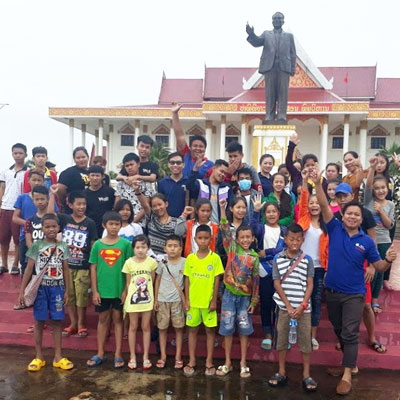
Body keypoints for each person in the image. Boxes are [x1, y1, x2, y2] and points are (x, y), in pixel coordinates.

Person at [312, 168, 396, 396]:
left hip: (355, 294)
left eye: (356, 215)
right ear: (343, 215)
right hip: (332, 291)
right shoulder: (335, 228)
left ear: (361, 219)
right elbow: (323, 205)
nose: (352, 217)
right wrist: (317, 184)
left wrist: (387, 261)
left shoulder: (367, 242)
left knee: (349, 333)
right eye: (348, 213)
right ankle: (350, 363)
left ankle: (348, 373)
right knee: (339, 329)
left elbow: (378, 267)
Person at [17, 213, 73, 372]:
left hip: (58, 288)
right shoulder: (36, 246)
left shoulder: (63, 246)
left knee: (57, 322)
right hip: (41, 289)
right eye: (47, 226)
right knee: (39, 322)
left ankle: (58, 356)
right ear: (42, 228)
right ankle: (39, 356)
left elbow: (66, 269)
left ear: (59, 228)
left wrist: (68, 290)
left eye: (54, 226)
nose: (51, 229)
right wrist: (22, 291)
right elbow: (28, 269)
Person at [269, 223, 317, 392]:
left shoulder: (307, 260)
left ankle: (306, 375)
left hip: (304, 309)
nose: (295, 242)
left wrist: (303, 305)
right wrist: (288, 306)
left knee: (305, 342)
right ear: (285, 239)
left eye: (298, 239)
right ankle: (281, 371)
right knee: (281, 339)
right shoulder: (278, 259)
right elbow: (276, 283)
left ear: (303, 240)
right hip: (283, 308)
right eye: (291, 239)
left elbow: (310, 285)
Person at [216, 207, 259, 379]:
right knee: (226, 328)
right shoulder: (232, 248)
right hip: (228, 296)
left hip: (245, 299)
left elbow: (256, 281)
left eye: (248, 237)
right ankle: (227, 362)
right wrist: (222, 209)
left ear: (253, 238)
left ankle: (243, 363)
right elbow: (225, 229)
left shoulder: (254, 257)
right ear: (237, 238)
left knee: (244, 330)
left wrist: (254, 301)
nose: (245, 239)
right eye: (242, 237)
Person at [87, 211, 132, 368]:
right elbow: (93, 268)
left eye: (117, 224)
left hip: (119, 290)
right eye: (111, 224)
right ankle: (100, 352)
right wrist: (95, 290)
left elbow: (129, 269)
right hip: (102, 290)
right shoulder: (98, 245)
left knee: (118, 319)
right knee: (103, 319)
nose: (114, 227)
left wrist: (126, 290)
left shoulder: (126, 245)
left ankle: (118, 354)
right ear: (104, 225)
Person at [183, 224, 224, 377]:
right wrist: (186, 300)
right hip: (193, 302)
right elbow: (186, 280)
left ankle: (209, 361)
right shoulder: (190, 258)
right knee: (192, 330)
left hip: (208, 303)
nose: (203, 241)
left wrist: (214, 300)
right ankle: (192, 360)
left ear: (210, 239)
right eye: (200, 238)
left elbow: (217, 280)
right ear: (195, 239)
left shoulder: (215, 259)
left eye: (206, 238)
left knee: (209, 331)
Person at [58, 191, 98, 339]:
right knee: (70, 296)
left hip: (83, 266)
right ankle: (72, 324)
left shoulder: (90, 223)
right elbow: (49, 215)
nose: (81, 207)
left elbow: (93, 244)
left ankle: (81, 324)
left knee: (81, 297)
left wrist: (93, 265)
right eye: (78, 204)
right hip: (67, 266)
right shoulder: (64, 219)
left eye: (84, 204)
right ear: (71, 204)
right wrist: (53, 194)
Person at [297, 169, 329, 350]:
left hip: (319, 269)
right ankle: (299, 333)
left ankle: (313, 336)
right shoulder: (304, 219)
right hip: (301, 266)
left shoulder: (327, 224)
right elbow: (303, 198)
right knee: (301, 300)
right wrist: (304, 180)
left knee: (315, 301)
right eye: (312, 202)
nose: (314, 205)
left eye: (317, 203)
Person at [246, 12, 296, 122]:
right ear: (272, 21)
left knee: (283, 93)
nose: (277, 20)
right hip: (270, 67)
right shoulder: (266, 34)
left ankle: (282, 115)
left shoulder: (289, 36)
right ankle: (269, 115)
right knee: (270, 93)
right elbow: (257, 42)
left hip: (284, 68)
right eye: (275, 19)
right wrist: (251, 34)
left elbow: (293, 53)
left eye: (279, 19)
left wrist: (292, 70)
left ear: (283, 21)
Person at [251, 195, 286, 350]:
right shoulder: (261, 228)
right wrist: (255, 211)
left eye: (274, 211)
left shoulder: (284, 230)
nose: (271, 214)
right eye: (268, 212)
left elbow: (287, 248)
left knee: (280, 304)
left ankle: (280, 333)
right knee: (266, 303)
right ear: (265, 215)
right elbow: (251, 228)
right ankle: (267, 333)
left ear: (279, 213)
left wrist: (270, 251)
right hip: (264, 271)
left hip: (281, 271)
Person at [122, 235, 157, 370]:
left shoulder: (152, 263)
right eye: (137, 247)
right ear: (133, 248)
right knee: (133, 327)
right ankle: (132, 356)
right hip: (133, 299)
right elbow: (128, 282)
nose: (140, 250)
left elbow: (152, 281)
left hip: (147, 299)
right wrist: (125, 294)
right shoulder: (129, 263)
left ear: (148, 248)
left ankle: (146, 357)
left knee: (146, 327)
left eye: (143, 247)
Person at [364, 157, 395, 314]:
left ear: (387, 189)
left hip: (384, 241)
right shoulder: (368, 201)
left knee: (380, 271)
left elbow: (390, 225)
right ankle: (367, 300)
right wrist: (371, 168)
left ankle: (375, 300)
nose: (380, 190)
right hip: (369, 241)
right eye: (377, 188)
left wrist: (381, 211)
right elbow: (368, 185)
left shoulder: (390, 205)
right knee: (370, 272)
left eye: (383, 188)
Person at [154, 235, 186, 370]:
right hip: (162, 300)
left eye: (175, 246)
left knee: (179, 329)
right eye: (170, 246)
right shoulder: (163, 262)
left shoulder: (185, 262)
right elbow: (158, 280)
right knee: (162, 329)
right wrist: (156, 298)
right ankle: (163, 356)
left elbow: (187, 281)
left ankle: (178, 356)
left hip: (177, 301)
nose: (172, 249)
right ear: (165, 248)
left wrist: (186, 299)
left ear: (181, 248)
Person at [0, 143, 27, 274]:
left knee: (17, 239)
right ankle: (4, 264)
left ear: (25, 155)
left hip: (18, 209)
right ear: (12, 154)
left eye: (20, 153)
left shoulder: (28, 172)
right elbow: (2, 188)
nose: (18, 155)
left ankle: (15, 264)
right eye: (15, 153)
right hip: (5, 207)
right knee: (3, 238)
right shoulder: (6, 171)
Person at [12, 170, 45, 275]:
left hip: (44, 238)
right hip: (25, 237)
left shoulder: (46, 199)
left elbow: (53, 215)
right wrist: (29, 223)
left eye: (39, 180)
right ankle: (25, 290)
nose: (36, 182)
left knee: (43, 266)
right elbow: (15, 218)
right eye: (34, 180)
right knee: (26, 266)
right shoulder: (22, 197)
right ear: (28, 180)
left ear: (43, 181)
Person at [171, 104, 214, 178]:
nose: (198, 148)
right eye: (195, 146)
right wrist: (175, 114)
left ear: (205, 149)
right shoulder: (186, 156)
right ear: (190, 147)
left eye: (201, 146)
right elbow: (179, 136)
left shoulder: (210, 165)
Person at [187, 158, 232, 224]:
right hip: (202, 228)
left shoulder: (227, 188)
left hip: (220, 227)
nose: (223, 175)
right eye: (221, 171)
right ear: (213, 168)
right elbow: (189, 186)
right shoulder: (201, 184)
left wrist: (224, 224)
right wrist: (195, 169)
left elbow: (229, 210)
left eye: (225, 173)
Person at [114, 153, 146, 226]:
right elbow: (117, 205)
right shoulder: (121, 183)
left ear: (138, 164)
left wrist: (132, 224)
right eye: (127, 166)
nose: (129, 167)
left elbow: (145, 207)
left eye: (131, 164)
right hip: (122, 225)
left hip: (139, 225)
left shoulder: (146, 183)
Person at [84, 165, 116, 237]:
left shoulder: (110, 191)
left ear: (102, 177)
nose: (95, 178)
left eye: (97, 175)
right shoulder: (84, 194)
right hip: (89, 228)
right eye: (92, 175)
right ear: (88, 176)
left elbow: (116, 207)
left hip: (107, 229)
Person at [57, 147, 89, 213]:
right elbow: (60, 189)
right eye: (78, 158)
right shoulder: (68, 173)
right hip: (72, 211)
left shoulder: (93, 173)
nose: (81, 160)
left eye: (83, 157)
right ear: (74, 160)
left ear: (88, 157)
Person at [157, 152, 188, 218]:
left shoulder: (188, 182)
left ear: (183, 165)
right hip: (167, 222)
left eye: (178, 163)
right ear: (168, 165)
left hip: (185, 221)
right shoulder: (162, 183)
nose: (175, 165)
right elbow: (159, 203)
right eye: (172, 163)